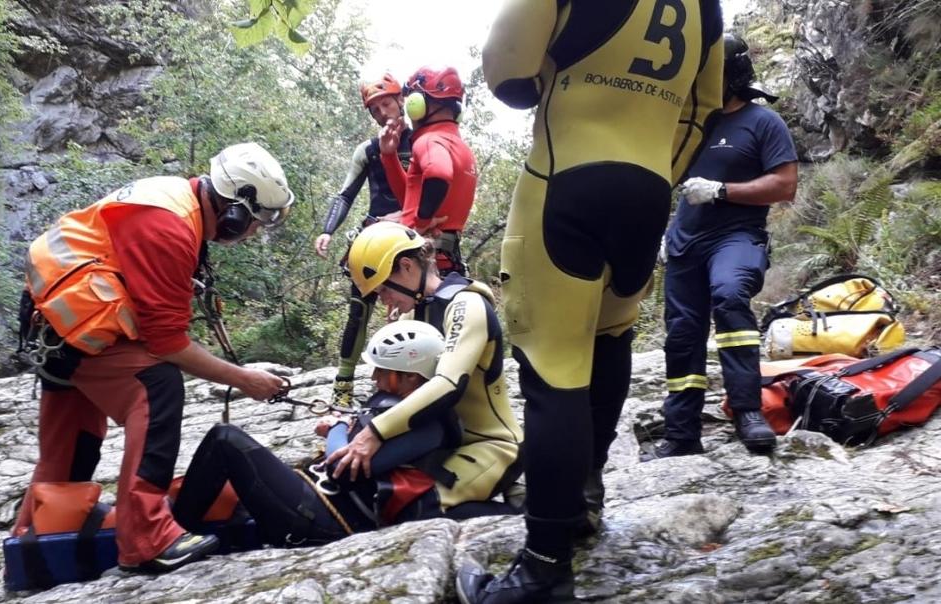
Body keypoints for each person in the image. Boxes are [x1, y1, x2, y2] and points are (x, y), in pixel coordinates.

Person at [460, 1, 726, 602]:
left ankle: (543, 567)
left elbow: (506, 71)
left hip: (565, 182)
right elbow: (704, 110)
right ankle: (583, 499)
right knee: (612, 339)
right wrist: (654, 168)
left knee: (554, 369)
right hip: (648, 190)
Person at [12, 142, 292, 574]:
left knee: (72, 445)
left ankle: (35, 543)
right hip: (76, 326)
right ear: (235, 211)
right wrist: (243, 379)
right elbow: (168, 345)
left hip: (56, 323)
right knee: (157, 388)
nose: (254, 232)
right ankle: (147, 539)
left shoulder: (175, 199)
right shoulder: (169, 226)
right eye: (256, 222)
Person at [173, 320, 471, 546]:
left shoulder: (427, 427)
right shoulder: (403, 406)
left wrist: (338, 426)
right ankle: (185, 524)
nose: (373, 377)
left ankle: (176, 531)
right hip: (318, 497)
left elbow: (340, 466)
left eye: (381, 370)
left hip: (324, 518)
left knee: (226, 441)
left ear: (409, 376)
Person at [643, 33, 799, 461]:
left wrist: (721, 191)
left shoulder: (762, 122)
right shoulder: (691, 125)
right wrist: (664, 232)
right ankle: (681, 434)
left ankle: (748, 412)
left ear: (731, 75)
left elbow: (785, 185)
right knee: (681, 333)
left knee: (730, 296)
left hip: (736, 237)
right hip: (684, 244)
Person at [336, 221, 524, 512]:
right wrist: (358, 419)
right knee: (374, 495)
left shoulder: (466, 305)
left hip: (490, 445)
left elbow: (448, 384)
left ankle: (530, 523)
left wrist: (374, 432)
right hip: (442, 440)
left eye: (383, 288)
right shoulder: (412, 317)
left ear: (408, 266)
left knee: (413, 508)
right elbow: (396, 385)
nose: (383, 298)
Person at [315, 73, 414, 408]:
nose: (383, 112)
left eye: (386, 102)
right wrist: (328, 229)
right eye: (374, 108)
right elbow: (345, 195)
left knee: (415, 310)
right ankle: (343, 384)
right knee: (359, 310)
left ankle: (409, 382)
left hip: (412, 238)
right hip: (374, 236)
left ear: (401, 100)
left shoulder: (423, 141)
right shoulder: (369, 151)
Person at [378, 65, 477, 276]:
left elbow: (439, 174)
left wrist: (420, 222)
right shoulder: (459, 147)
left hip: (424, 262)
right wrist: (389, 156)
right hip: (446, 260)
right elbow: (410, 199)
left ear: (418, 105)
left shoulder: (429, 141)